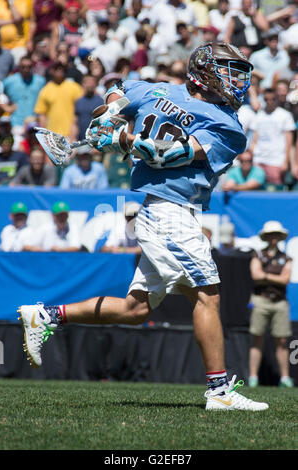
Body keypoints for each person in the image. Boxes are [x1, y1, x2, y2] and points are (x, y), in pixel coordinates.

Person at [18, 42, 269, 411]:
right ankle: (220, 392)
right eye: (231, 70)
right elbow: (116, 89)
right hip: (170, 212)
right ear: (206, 71)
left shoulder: (224, 123)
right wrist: (109, 115)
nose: (238, 80)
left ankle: (45, 316)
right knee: (207, 294)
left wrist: (121, 137)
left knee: (135, 311)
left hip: (168, 210)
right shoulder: (173, 96)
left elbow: (171, 154)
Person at [249, 221, 294, 388]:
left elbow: (285, 279)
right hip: (260, 301)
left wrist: (265, 275)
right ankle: (253, 377)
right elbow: (255, 274)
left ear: (280, 237)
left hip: (280, 302)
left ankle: (285, 378)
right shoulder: (258, 255)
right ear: (266, 237)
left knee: (281, 341)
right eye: (271, 234)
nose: (273, 238)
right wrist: (274, 277)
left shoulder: (286, 258)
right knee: (257, 338)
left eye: (276, 234)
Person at [249, 88, 296, 186]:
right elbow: (254, 139)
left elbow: (289, 143)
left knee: (274, 190)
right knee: (257, 190)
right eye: (267, 99)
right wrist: (251, 156)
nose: (269, 102)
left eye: (272, 99)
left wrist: (285, 162)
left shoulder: (285, 115)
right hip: (259, 159)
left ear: (276, 99)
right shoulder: (259, 115)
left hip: (276, 161)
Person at [34, 61, 83, 137]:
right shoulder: (45, 90)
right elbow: (41, 114)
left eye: (61, 68)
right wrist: (45, 135)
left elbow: (80, 110)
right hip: (52, 136)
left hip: (71, 134)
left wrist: (74, 131)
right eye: (56, 68)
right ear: (51, 71)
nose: (59, 70)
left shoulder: (74, 87)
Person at [2, 55, 46, 133]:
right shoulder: (10, 81)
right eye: (23, 67)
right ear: (19, 67)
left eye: (29, 66)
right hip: (16, 123)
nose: (26, 69)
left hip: (34, 123)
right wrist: (6, 108)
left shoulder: (40, 81)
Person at [70, 74, 104, 142]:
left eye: (92, 82)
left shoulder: (101, 101)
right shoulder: (78, 102)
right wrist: (72, 139)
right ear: (83, 84)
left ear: (95, 84)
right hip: (81, 141)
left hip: (96, 141)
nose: (90, 85)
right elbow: (75, 122)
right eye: (87, 82)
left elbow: (104, 122)